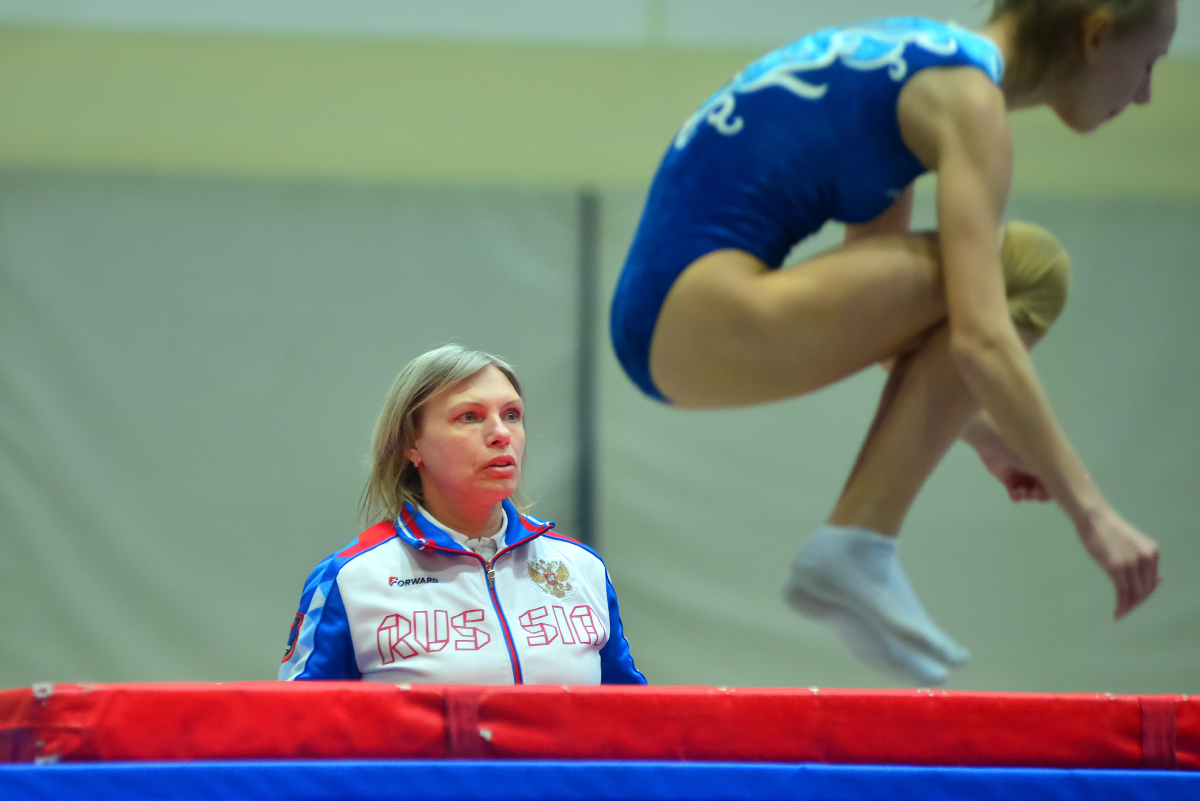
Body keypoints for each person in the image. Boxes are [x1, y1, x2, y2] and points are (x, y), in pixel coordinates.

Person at [609, 1, 1173, 684]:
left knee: (997, 284)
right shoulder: (970, 99)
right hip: (694, 306)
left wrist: (985, 431)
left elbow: (885, 335)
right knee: (1032, 267)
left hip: (664, 321)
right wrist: (1095, 515)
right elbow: (984, 339)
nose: (1143, 95)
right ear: (1096, 35)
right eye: (1148, 64)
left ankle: (856, 542)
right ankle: (856, 541)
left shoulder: (912, 60)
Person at [279, 344, 645, 685]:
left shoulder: (582, 567)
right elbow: (296, 729)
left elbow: (634, 722)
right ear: (412, 444)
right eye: (469, 416)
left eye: (512, 415)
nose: (501, 434)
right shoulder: (351, 578)